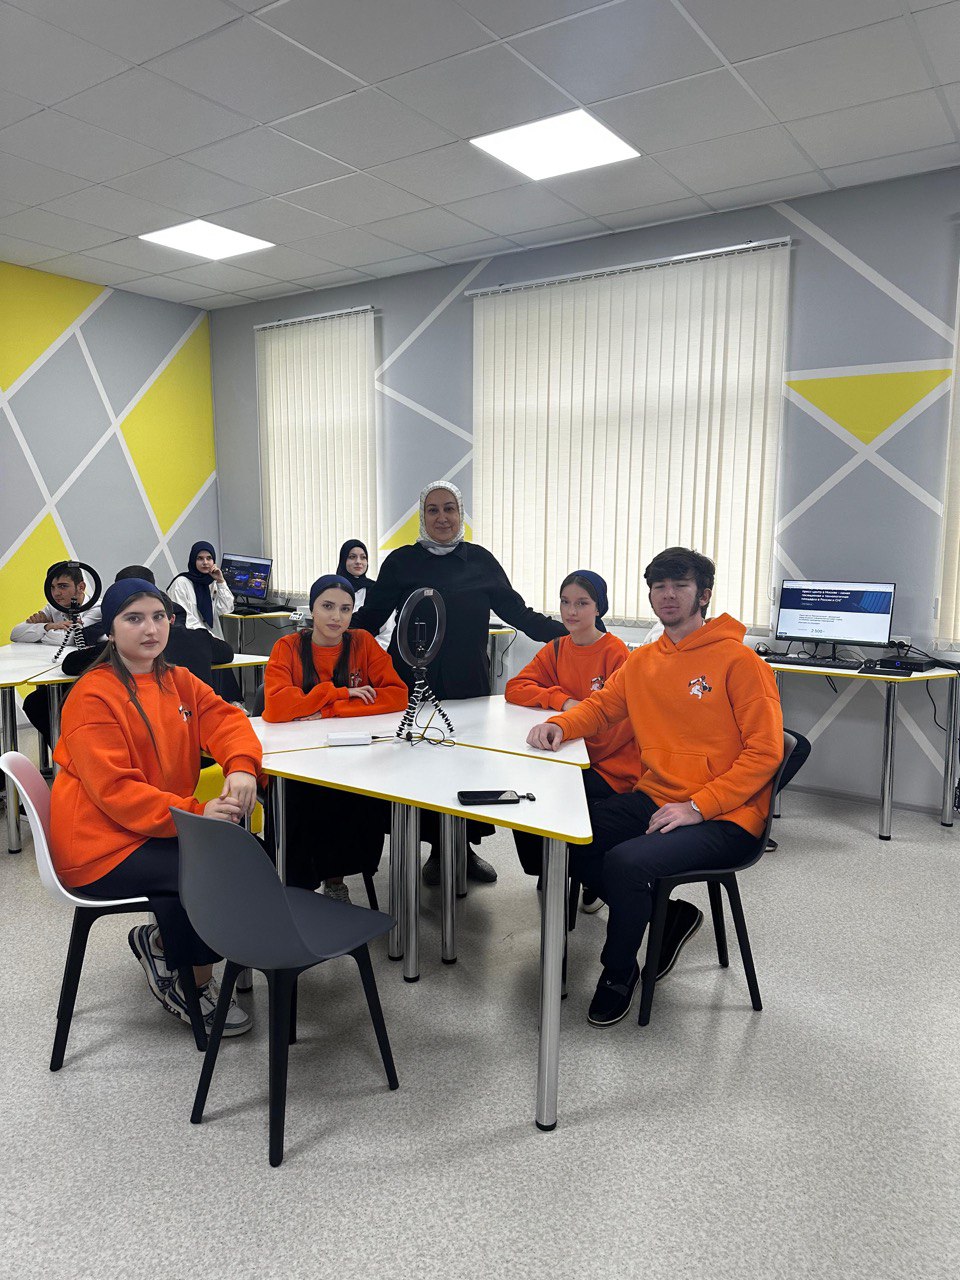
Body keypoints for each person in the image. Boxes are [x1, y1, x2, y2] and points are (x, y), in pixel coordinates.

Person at [527, 547, 783, 1027]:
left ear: (703, 595)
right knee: (563, 836)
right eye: (659, 587)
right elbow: (602, 707)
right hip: (657, 796)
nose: (668, 595)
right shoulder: (644, 660)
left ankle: (618, 972)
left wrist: (698, 806)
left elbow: (765, 753)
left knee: (626, 863)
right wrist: (561, 724)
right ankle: (668, 916)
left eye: (680, 586)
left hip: (727, 815)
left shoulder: (740, 662)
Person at [50, 578, 263, 1037]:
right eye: (134, 619)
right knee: (209, 865)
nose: (150, 629)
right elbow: (117, 792)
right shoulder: (92, 695)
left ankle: (166, 945)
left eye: (158, 616)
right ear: (110, 631)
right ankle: (190, 985)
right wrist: (195, 814)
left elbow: (226, 720)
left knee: (244, 850)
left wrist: (242, 766)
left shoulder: (176, 679)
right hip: (99, 848)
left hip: (149, 827)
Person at [353, 480, 565, 885]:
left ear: (460, 513)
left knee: (467, 766)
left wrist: (573, 633)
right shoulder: (401, 562)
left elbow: (519, 613)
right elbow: (371, 618)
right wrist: (327, 634)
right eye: (432, 510)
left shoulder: (480, 561)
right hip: (412, 683)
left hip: (468, 685)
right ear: (423, 516)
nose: (442, 517)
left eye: (449, 508)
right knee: (418, 767)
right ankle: (434, 850)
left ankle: (462, 849)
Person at [262, 574, 408, 902]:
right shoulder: (288, 647)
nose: (336, 617)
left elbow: (397, 695)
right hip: (296, 756)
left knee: (360, 794)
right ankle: (297, 888)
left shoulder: (362, 642)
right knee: (301, 796)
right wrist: (341, 693)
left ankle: (336, 879)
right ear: (312, 609)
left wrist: (329, 709)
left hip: (349, 754)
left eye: (345, 609)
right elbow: (276, 707)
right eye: (327, 606)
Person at [505, 570, 639, 908]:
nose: (571, 611)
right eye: (565, 602)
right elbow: (515, 688)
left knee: (550, 791)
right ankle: (550, 868)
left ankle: (587, 872)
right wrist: (562, 701)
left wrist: (573, 739)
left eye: (582, 603)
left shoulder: (616, 653)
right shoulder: (556, 648)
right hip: (568, 753)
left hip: (610, 766)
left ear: (599, 608)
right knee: (524, 787)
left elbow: (622, 726)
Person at [166, 542, 241, 703]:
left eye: (209, 558)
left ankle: (229, 704)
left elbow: (227, 608)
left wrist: (221, 581)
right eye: (200, 558)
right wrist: (207, 636)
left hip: (209, 640)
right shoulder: (181, 583)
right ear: (193, 560)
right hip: (191, 641)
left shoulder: (211, 582)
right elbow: (184, 617)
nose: (205, 562)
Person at [11, 560, 102, 646]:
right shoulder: (53, 607)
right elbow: (15, 634)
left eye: (63, 586)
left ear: (81, 587)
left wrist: (38, 632)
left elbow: (66, 639)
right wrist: (48, 626)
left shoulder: (98, 608)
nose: (56, 593)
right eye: (52, 587)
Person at [336, 538, 394, 650]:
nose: (358, 561)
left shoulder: (377, 590)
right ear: (343, 560)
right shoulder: (333, 589)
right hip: (336, 651)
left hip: (369, 652)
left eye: (363, 557)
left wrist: (367, 652)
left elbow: (387, 631)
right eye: (352, 557)